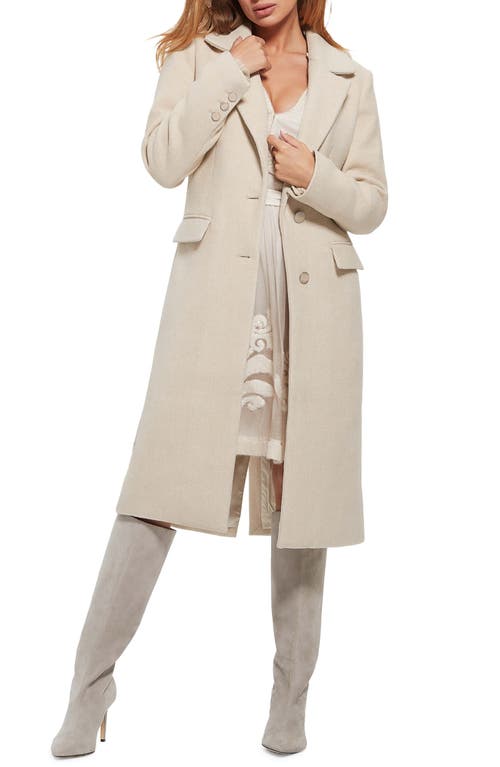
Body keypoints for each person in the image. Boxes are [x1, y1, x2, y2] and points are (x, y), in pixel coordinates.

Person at [51, 0, 388, 757]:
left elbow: (372, 204)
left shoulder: (352, 78)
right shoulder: (199, 60)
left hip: (313, 315)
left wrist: (316, 175)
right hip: (212, 310)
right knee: (151, 498)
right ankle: (88, 688)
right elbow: (162, 161)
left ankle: (290, 700)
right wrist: (232, 74)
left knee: (304, 509)